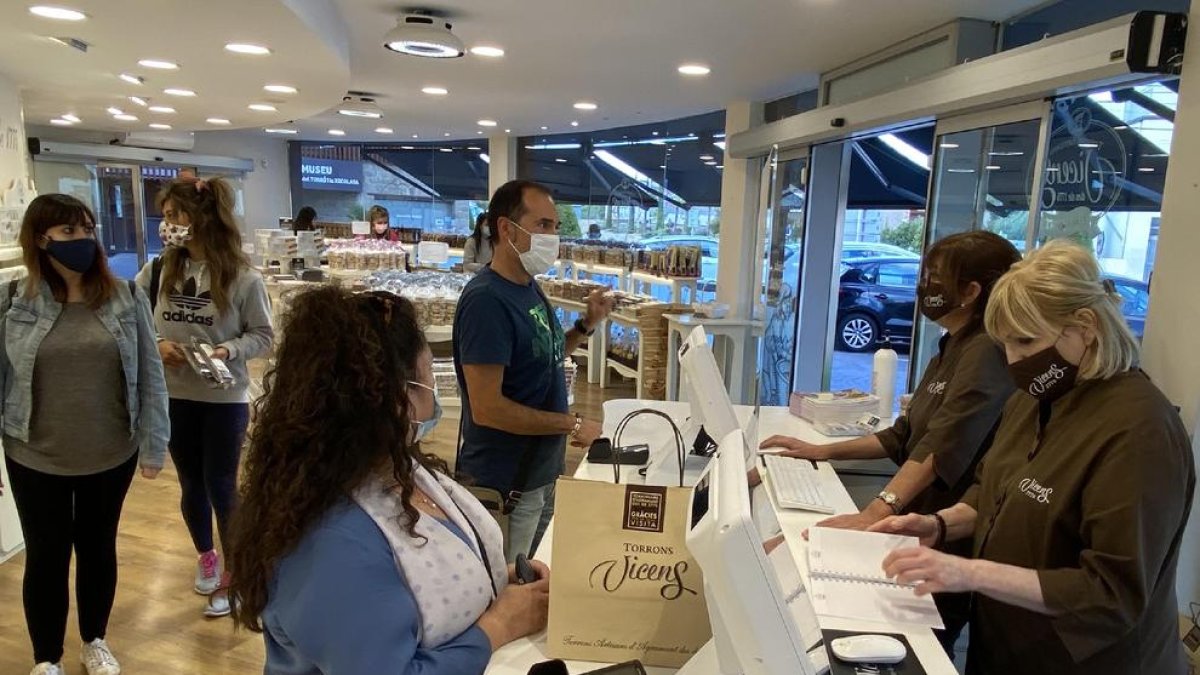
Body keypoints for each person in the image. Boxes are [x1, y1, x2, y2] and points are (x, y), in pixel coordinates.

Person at [872, 240, 1194, 675]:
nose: (1013, 360)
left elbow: (1110, 592)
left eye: (1025, 341)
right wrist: (940, 525)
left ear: (1086, 325)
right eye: (1004, 344)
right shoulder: (1034, 398)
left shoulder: (1140, 431)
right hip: (1008, 646)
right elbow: (993, 487)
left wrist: (969, 573)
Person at [227, 287, 550, 674]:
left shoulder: (399, 468)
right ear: (397, 398)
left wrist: (495, 579)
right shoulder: (331, 541)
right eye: (428, 376)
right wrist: (500, 624)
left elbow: (417, 584)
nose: (435, 394)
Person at [755, 231, 1020, 651]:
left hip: (947, 529)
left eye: (935, 277)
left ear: (971, 291)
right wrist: (820, 451)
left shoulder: (986, 352)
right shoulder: (950, 346)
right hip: (914, 520)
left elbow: (943, 443)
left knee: (920, 642)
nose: (925, 286)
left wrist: (877, 511)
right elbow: (904, 436)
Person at [2, 194, 169, 675]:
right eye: (68, 232)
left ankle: (94, 638)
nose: (82, 240)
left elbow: (150, 376)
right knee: (46, 556)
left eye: (87, 229)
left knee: (98, 548)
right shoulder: (15, 300)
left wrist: (155, 444)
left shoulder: (124, 297)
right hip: (35, 455)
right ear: (41, 239)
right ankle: (45, 657)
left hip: (109, 451)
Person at [136, 176, 274, 618]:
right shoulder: (158, 270)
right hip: (173, 396)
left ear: (203, 218)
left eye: (176, 215)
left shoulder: (243, 277)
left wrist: (226, 350)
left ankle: (237, 572)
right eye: (167, 215)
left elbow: (263, 335)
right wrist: (156, 343)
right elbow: (133, 318)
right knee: (191, 482)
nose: (168, 224)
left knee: (220, 482)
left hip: (223, 397)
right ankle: (206, 555)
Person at [454, 179, 612, 562]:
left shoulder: (528, 287)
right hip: (506, 482)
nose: (552, 237)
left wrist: (585, 326)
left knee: (534, 573)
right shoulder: (486, 302)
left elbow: (544, 355)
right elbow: (487, 408)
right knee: (512, 587)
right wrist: (571, 424)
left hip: (540, 474)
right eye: (543, 225)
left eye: (555, 227)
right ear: (507, 229)